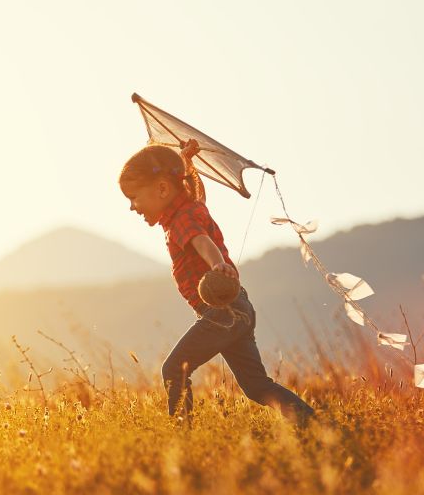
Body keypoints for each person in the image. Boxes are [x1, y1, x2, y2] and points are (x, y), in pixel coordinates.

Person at [118, 139, 315, 427]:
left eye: (134, 197)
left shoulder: (182, 220)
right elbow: (195, 194)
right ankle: (314, 425)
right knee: (257, 386)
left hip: (224, 313)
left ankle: (182, 434)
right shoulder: (190, 208)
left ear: (162, 189)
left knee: (174, 369)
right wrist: (186, 162)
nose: (133, 207)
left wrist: (217, 265)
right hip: (238, 311)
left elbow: (202, 241)